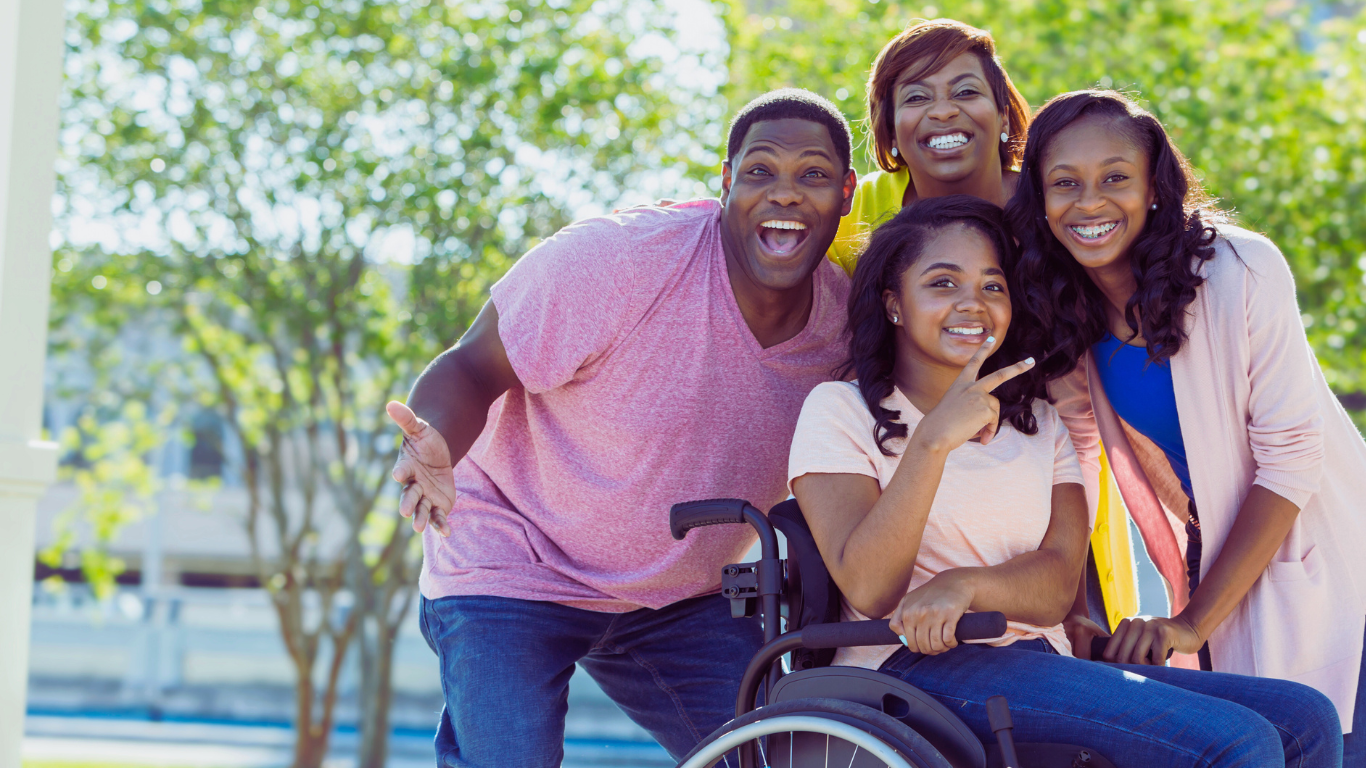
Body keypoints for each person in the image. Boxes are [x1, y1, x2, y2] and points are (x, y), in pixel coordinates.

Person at [384, 89, 856, 767]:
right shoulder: (619, 263)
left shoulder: (842, 329)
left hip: (674, 597)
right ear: (725, 183)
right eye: (760, 171)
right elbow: (470, 367)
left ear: (844, 193)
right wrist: (434, 441)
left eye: (811, 174)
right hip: (514, 558)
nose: (784, 193)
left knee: (776, 759)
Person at [789, 193, 1343, 765]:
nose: (972, 304)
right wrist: (932, 441)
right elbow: (871, 589)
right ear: (894, 305)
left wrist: (966, 585)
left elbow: (1056, 586)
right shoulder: (840, 411)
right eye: (943, 283)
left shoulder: (1039, 424)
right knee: (1237, 741)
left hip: (1037, 657)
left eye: (992, 286)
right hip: (905, 669)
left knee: (1303, 718)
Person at [1006, 89, 1366, 757]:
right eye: (1065, 183)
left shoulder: (1240, 269)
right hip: (1222, 571)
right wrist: (1071, 610)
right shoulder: (1065, 308)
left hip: (1329, 564)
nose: (1089, 203)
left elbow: (1291, 458)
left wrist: (1194, 622)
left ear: (1153, 189)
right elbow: (1078, 458)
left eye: (1115, 177)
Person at [827, 19, 1139, 632]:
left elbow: (1075, 408)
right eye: (916, 97)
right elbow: (776, 220)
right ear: (888, 127)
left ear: (1003, 112)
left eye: (965, 92)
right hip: (908, 475)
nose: (943, 112)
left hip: (1046, 469)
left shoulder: (1056, 210)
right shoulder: (862, 214)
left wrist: (1074, 598)